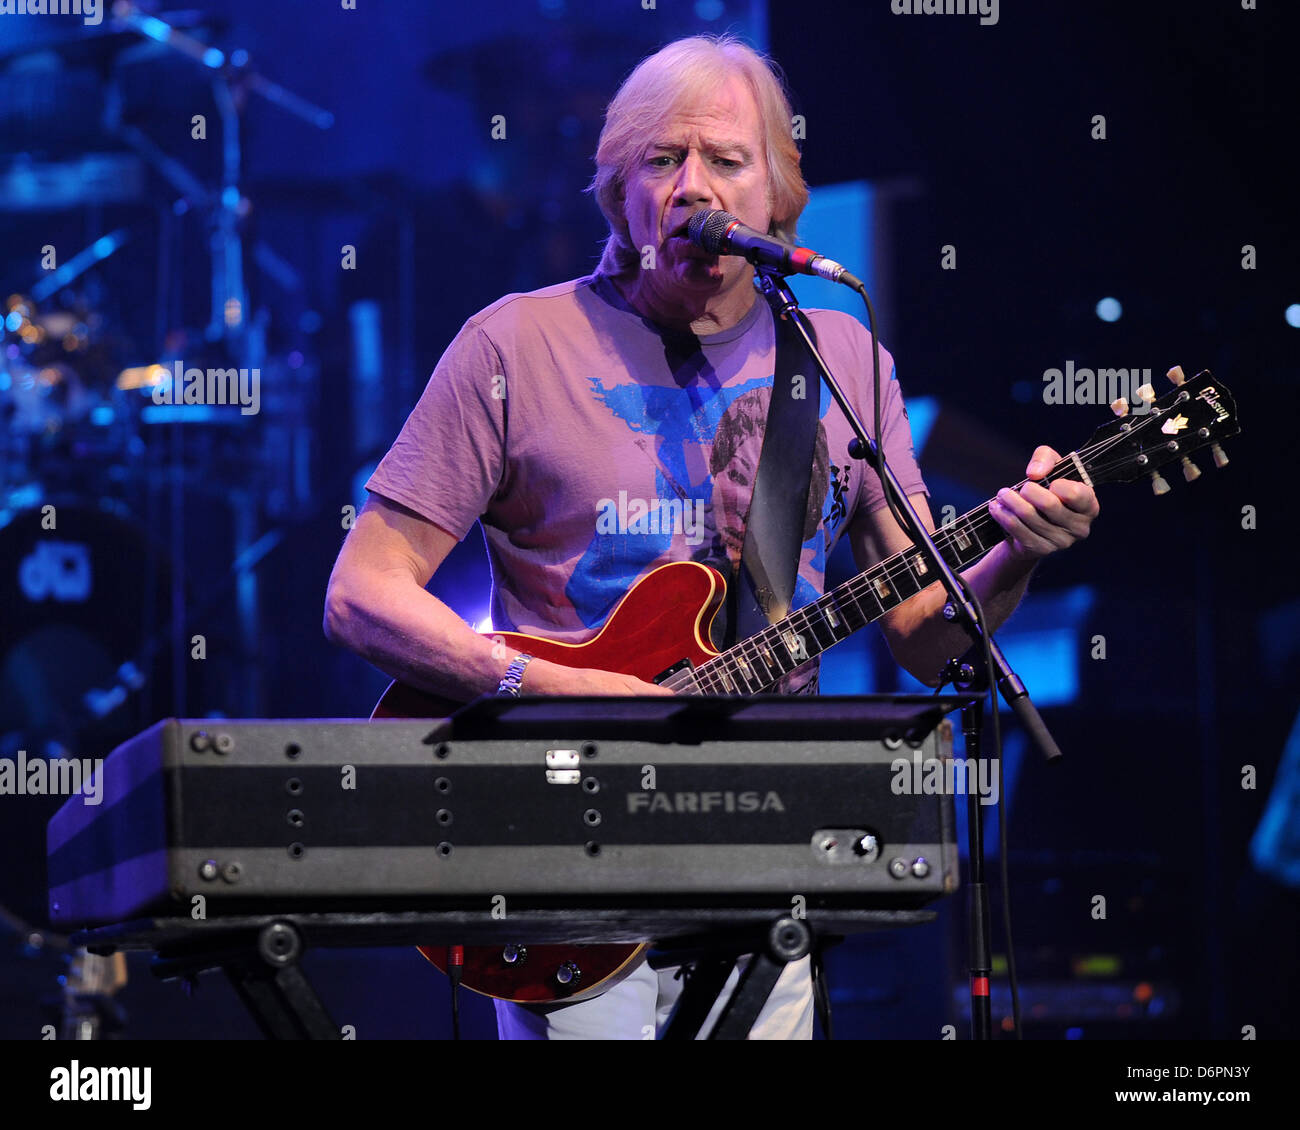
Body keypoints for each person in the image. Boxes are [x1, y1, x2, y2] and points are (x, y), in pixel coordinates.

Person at [323, 33, 1099, 1039]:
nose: (693, 187)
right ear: (619, 195)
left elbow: (919, 634)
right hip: (562, 840)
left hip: (766, 837)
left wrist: (1014, 550)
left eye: (726, 161)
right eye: (661, 160)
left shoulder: (843, 360)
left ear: (779, 199)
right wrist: (552, 684)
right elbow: (361, 593)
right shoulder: (512, 345)